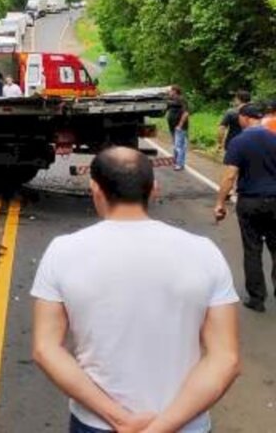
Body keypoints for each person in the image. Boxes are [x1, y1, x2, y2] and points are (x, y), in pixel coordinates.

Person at [32, 147, 241, 433]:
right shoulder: (204, 252)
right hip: (186, 425)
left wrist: (121, 420)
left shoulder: (62, 251)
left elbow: (46, 349)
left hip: (98, 423)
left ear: (95, 188)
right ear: (154, 188)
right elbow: (225, 359)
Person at [215, 102, 276, 312]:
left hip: (250, 202)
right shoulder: (274, 137)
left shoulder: (239, 142)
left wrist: (220, 203)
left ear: (244, 118)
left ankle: (257, 299)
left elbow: (230, 175)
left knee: (253, 249)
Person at [217, 90, 251, 154]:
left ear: (238, 99)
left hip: (233, 144)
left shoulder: (231, 112)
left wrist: (219, 143)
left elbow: (221, 128)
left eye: (235, 98)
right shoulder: (256, 112)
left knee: (231, 163)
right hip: (250, 145)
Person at [166, 85, 190, 171]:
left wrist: (180, 125)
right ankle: (176, 162)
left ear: (175, 91)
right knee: (176, 145)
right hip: (173, 127)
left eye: (170, 91)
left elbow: (186, 113)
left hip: (180, 127)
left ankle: (180, 164)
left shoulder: (181, 99)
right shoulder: (172, 100)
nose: (169, 92)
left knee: (179, 146)